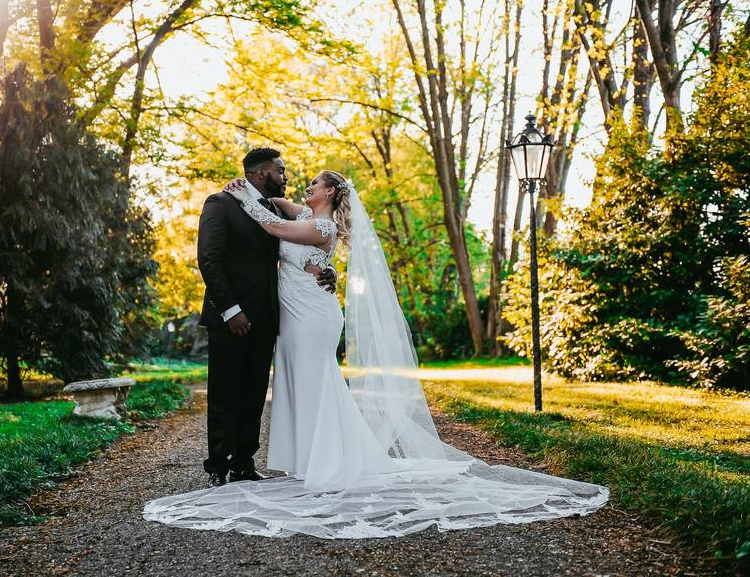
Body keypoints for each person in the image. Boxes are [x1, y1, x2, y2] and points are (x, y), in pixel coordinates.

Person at [146, 167, 608, 539]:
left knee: (315, 383)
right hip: (298, 312)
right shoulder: (308, 213)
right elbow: (277, 210)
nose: (303, 185)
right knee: (302, 383)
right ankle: (309, 459)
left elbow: (272, 224)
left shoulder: (320, 225)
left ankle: (328, 463)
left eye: (313, 183)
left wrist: (245, 197)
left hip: (311, 316)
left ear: (329, 193)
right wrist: (248, 191)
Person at [196, 148, 335, 487]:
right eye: (281, 170)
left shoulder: (275, 210)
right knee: (224, 391)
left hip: (269, 317)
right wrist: (231, 310)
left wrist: (327, 269)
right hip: (231, 317)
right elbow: (209, 260)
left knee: (255, 392)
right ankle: (217, 465)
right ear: (262, 173)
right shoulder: (220, 203)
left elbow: (305, 250)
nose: (286, 177)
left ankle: (244, 461)